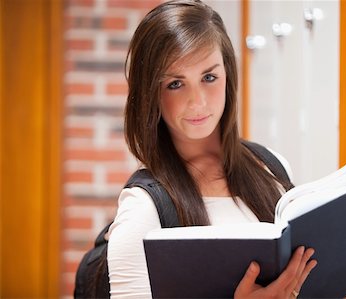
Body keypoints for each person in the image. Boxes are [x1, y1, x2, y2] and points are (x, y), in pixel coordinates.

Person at [106, 0, 317, 298]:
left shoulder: (271, 168)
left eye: (209, 77)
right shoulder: (143, 210)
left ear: (228, 75)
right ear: (150, 93)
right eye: (175, 84)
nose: (198, 102)